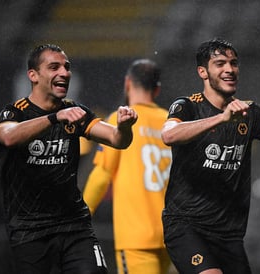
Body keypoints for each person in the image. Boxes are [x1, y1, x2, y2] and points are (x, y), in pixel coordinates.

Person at [161, 38, 260, 274]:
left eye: (233, 63)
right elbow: (168, 135)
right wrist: (221, 118)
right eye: (220, 63)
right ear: (203, 72)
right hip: (186, 225)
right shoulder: (186, 106)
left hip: (229, 234)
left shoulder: (250, 113)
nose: (229, 69)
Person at [0, 44, 138, 274]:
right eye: (54, 67)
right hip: (30, 231)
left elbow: (117, 139)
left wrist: (124, 127)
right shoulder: (15, 112)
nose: (64, 73)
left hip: (75, 227)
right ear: (33, 75)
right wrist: (54, 118)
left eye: (67, 67)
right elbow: (9, 137)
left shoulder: (75, 111)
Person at [83, 59, 172, 274]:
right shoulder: (171, 122)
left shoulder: (119, 121)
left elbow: (102, 175)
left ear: (127, 83)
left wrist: (80, 216)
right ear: (157, 89)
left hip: (136, 235)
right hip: (172, 235)